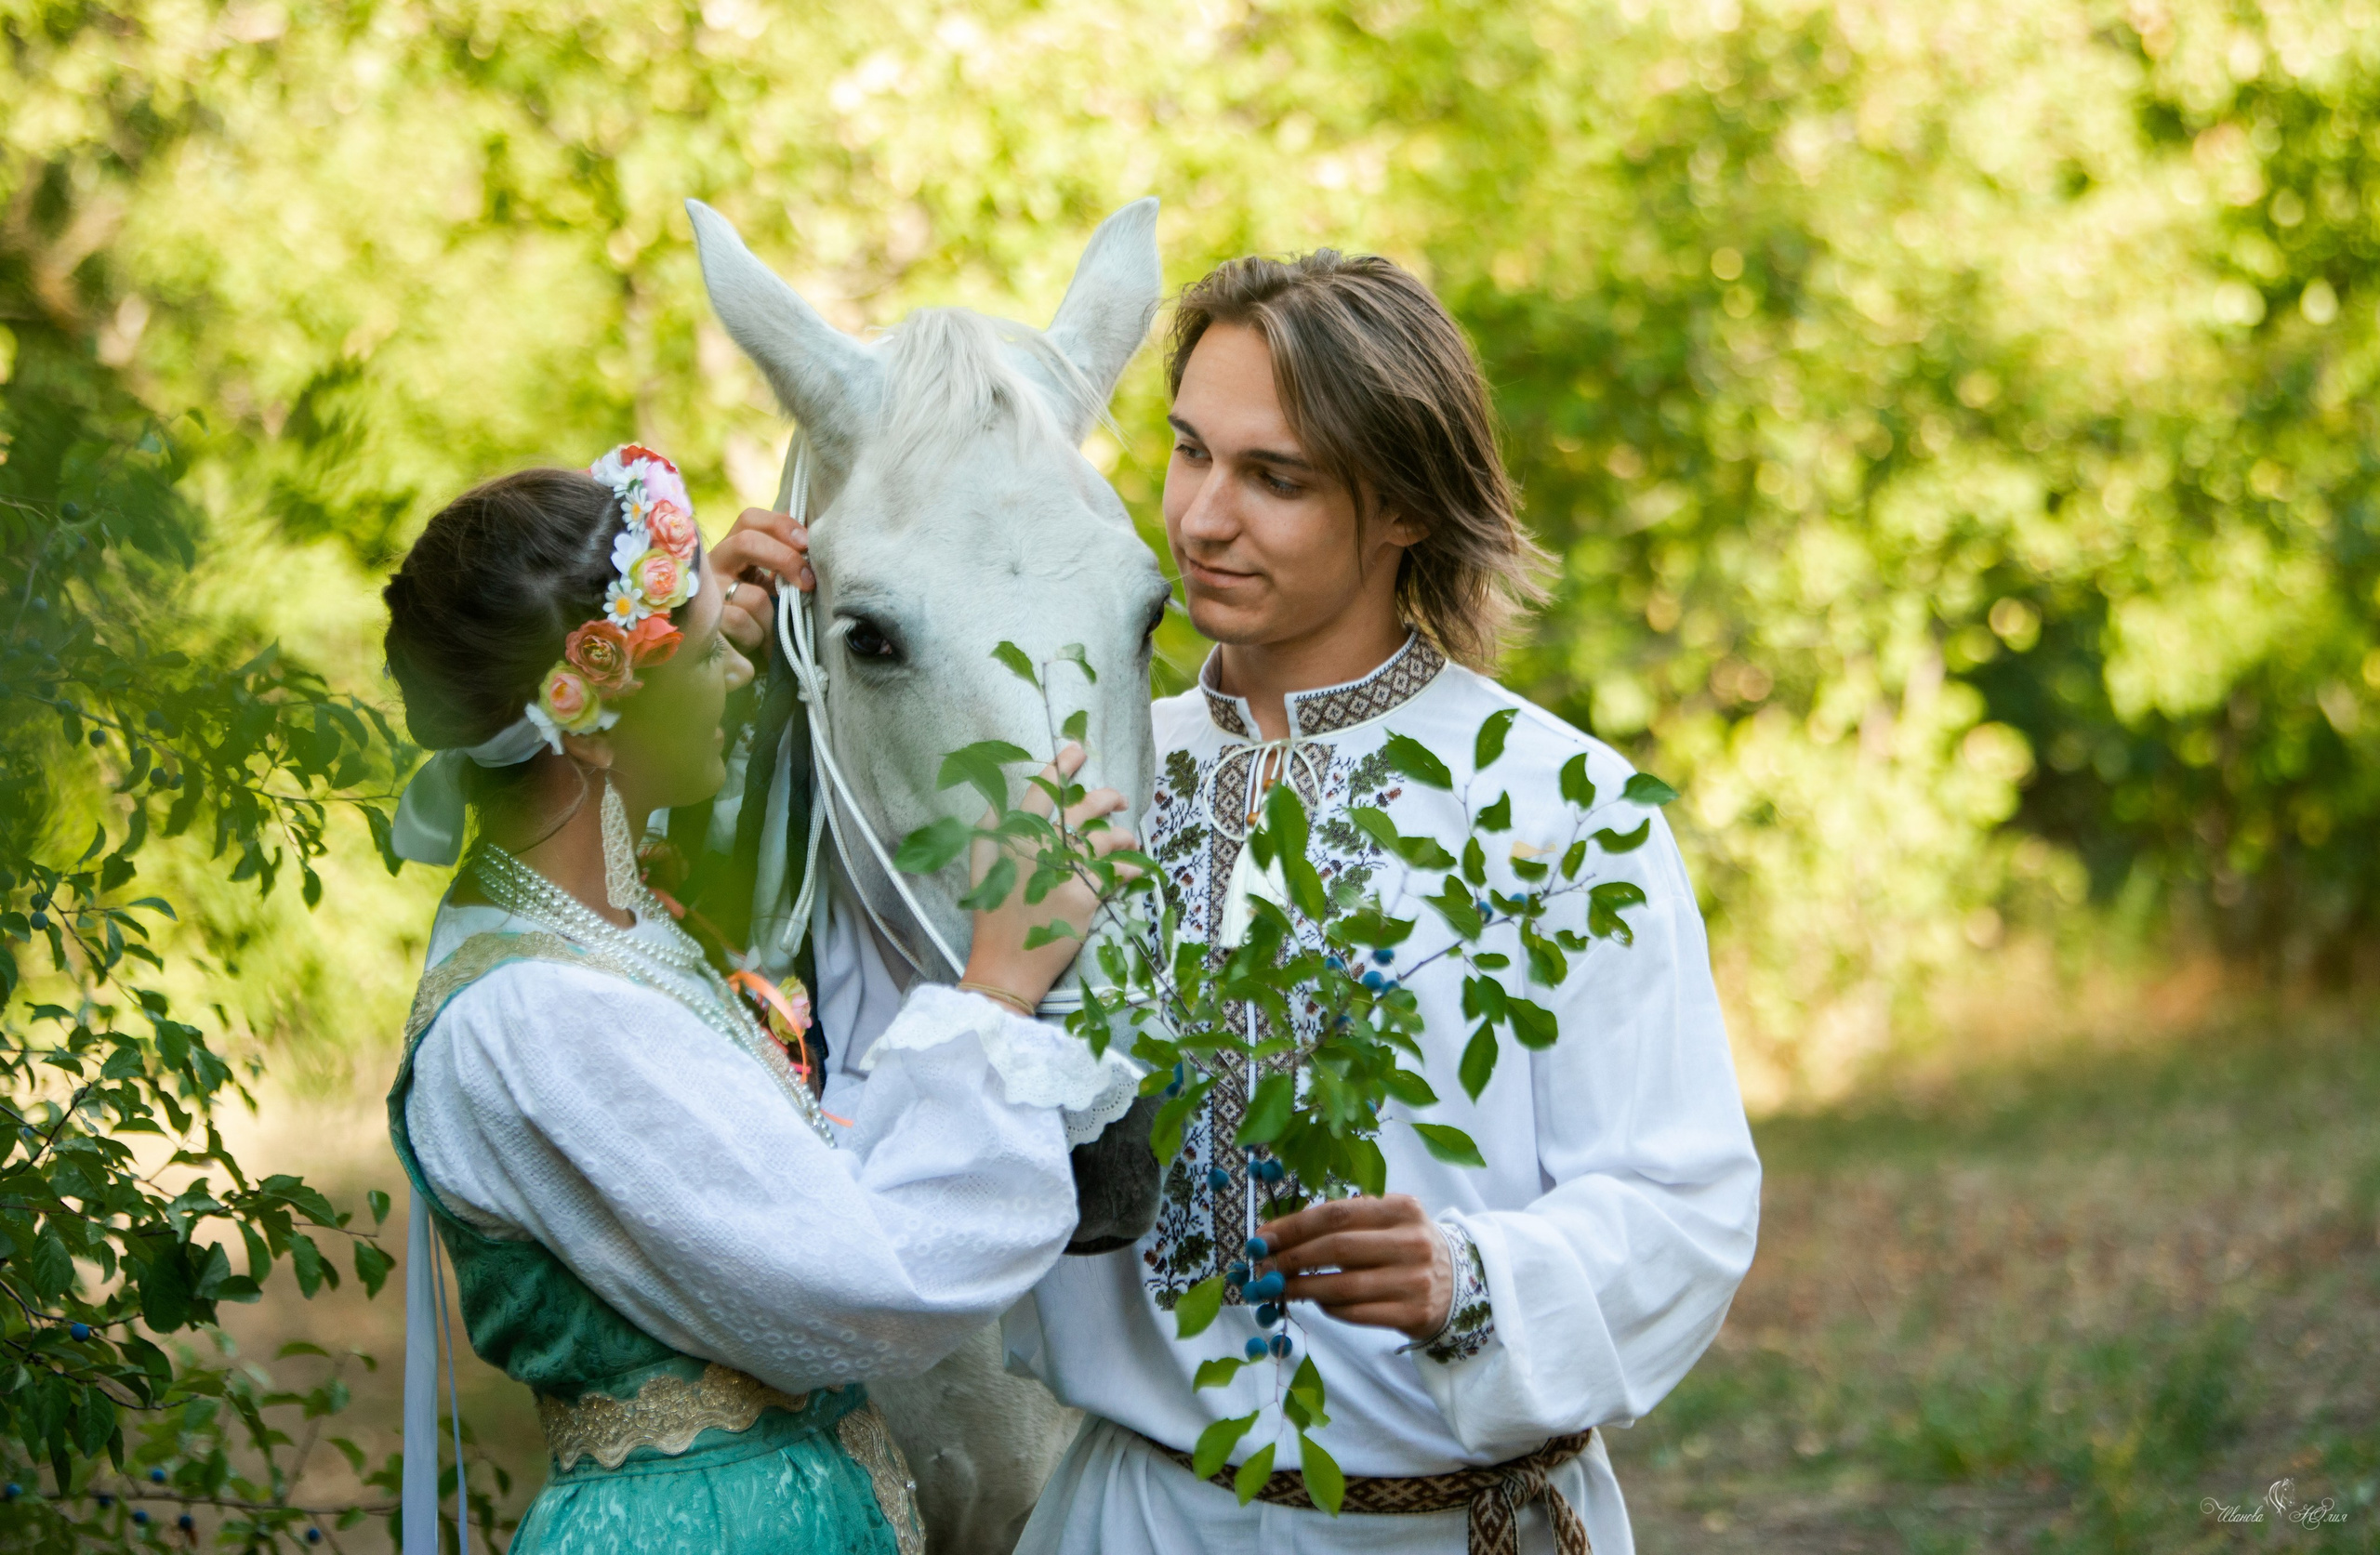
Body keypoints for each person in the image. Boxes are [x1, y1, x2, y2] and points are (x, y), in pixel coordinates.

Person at [990, 254, 1765, 1555]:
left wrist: (1469, 1279)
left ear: (1404, 504)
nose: (1201, 516)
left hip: (1443, 1529)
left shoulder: (1557, 807)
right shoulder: (1084, 781)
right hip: (1133, 1520)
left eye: (1274, 476)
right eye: (1190, 453)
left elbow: (1685, 1203)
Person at [379, 446, 1141, 1555]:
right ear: (588, 719)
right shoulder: (541, 1017)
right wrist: (998, 983)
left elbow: (779, 1168)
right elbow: (874, 1280)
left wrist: (705, 624)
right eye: (699, 652)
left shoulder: (603, 931)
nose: (734, 674)